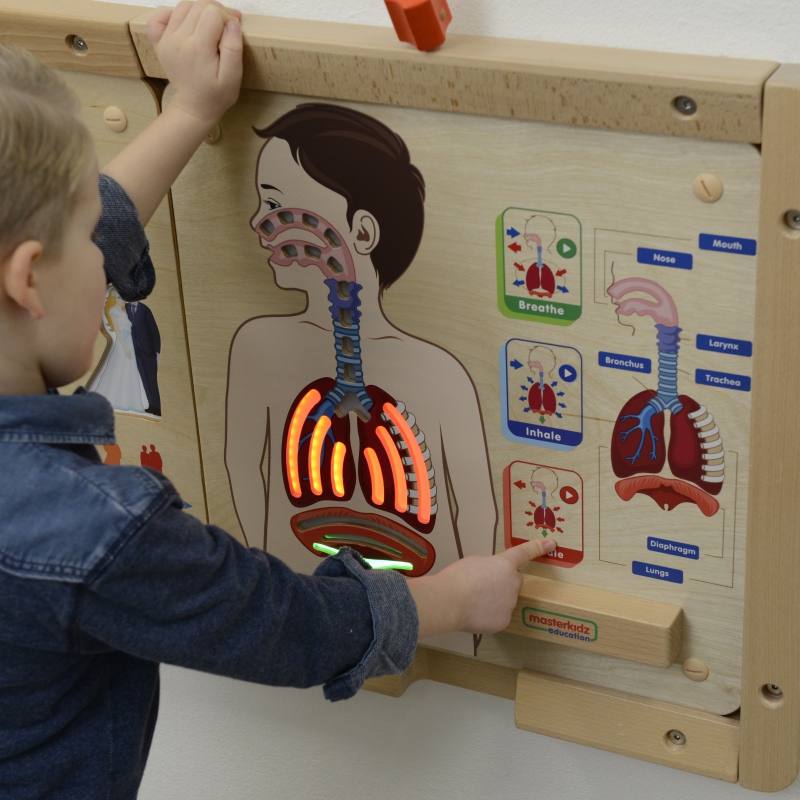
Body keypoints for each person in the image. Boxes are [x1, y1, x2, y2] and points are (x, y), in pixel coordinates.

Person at [0, 2, 556, 798]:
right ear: (26, 280)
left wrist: (191, 111)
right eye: (89, 245)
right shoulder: (95, 534)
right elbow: (284, 625)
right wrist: (457, 598)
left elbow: (84, 237)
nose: (108, 261)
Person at [87, 286, 147, 414]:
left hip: (129, 343)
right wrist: (124, 347)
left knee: (129, 371)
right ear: (113, 298)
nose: (121, 300)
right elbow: (117, 331)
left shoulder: (123, 312)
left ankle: (127, 401)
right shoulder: (113, 311)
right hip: (122, 343)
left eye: (122, 298)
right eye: (119, 297)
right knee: (118, 368)